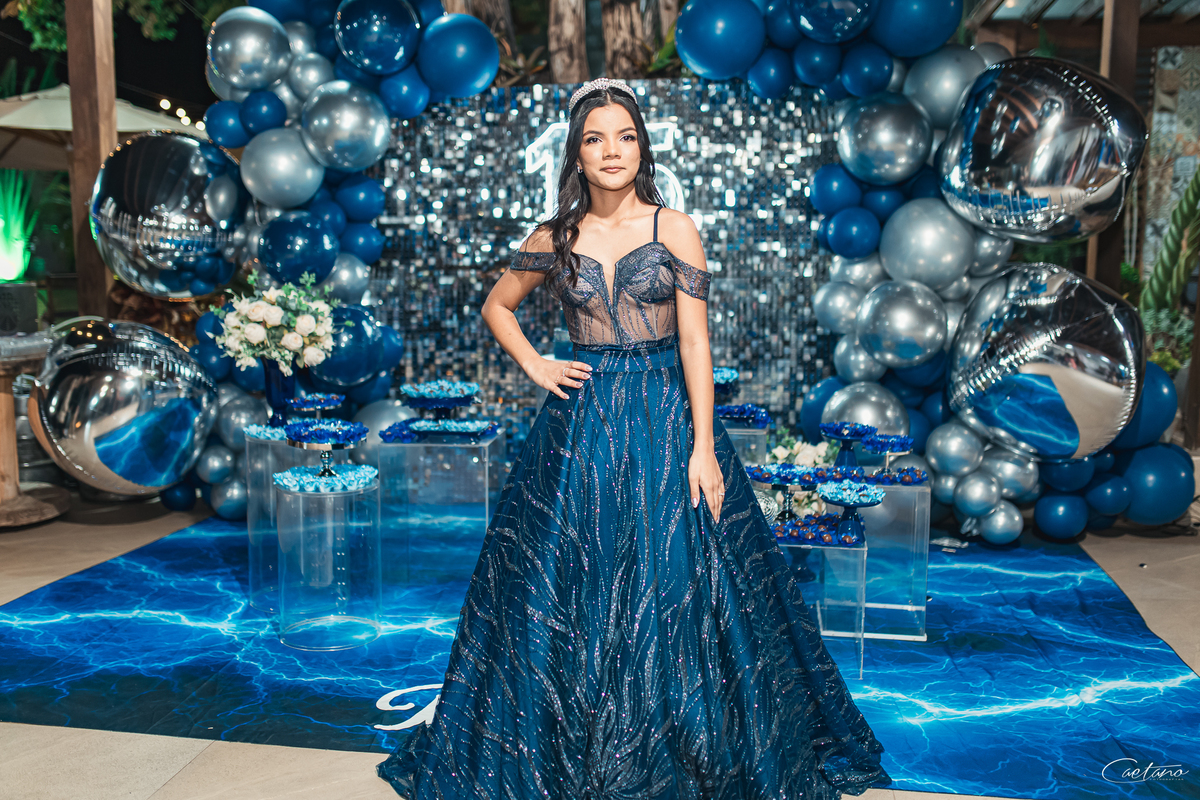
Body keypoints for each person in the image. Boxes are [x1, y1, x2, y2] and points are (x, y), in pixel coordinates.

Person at [377, 77, 893, 799]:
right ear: (577, 154)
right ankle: (570, 737)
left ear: (642, 147)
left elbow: (695, 343)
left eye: (625, 136)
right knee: (572, 579)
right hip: (582, 426)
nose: (611, 150)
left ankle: (685, 739)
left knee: (679, 578)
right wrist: (537, 364)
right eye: (595, 139)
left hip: (664, 417)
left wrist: (705, 447)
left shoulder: (674, 228)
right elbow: (497, 306)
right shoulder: (555, 237)